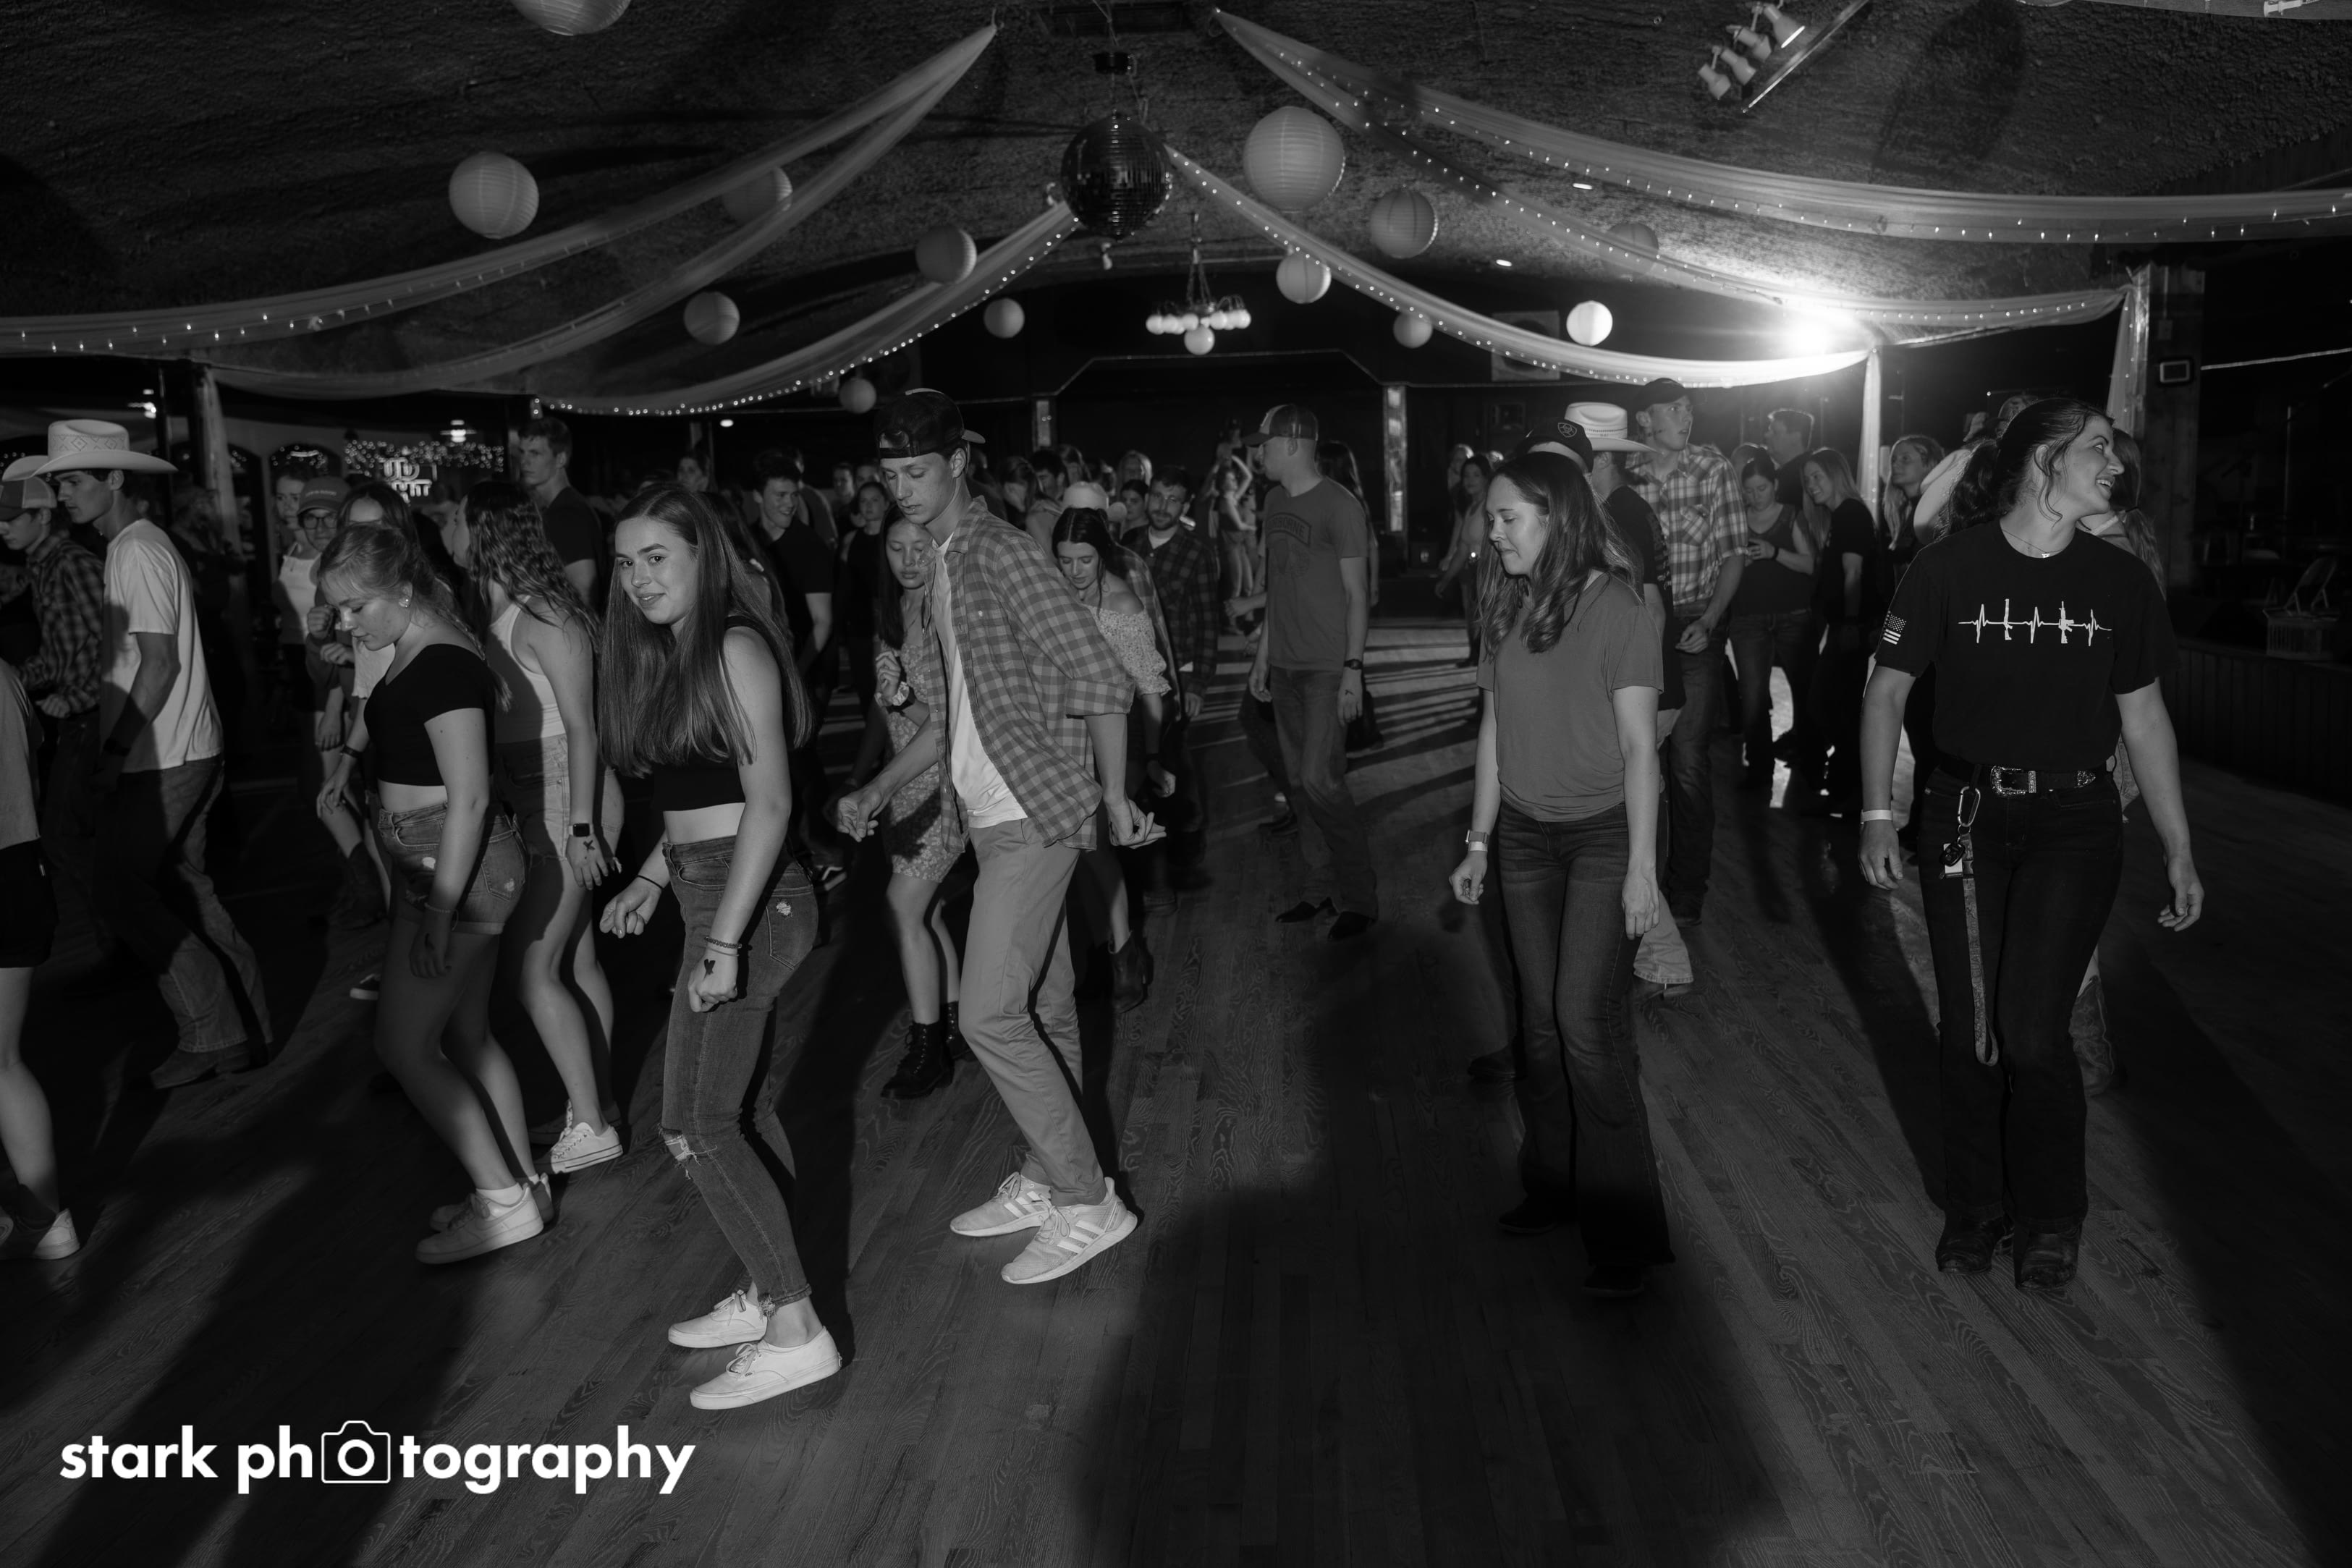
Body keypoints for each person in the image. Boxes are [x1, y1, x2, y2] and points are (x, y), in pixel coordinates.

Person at [1858, 399, 2201, 1294]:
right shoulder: (1947, 567)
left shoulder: (2118, 581)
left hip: (2075, 822)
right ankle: (1975, 1209)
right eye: (2098, 450)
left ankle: (2050, 1216)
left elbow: (2145, 720)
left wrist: (2177, 845)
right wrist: (1874, 813)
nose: (2116, 466)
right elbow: (1886, 690)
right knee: (1970, 1029)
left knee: (2033, 1029)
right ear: (2045, 460)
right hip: (1963, 815)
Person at [869, 389, 1146, 1286]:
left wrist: (1113, 792)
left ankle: (1087, 1199)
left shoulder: (998, 551)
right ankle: (1045, 1172)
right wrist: (884, 783)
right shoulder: (946, 561)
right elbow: (966, 701)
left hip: (1033, 811)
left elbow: (1100, 671)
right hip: (989, 814)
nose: (901, 490)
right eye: (889, 476)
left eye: (916, 471)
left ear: (957, 464)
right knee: (1047, 1005)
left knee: (988, 1013)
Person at [596, 483, 839, 1407]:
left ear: (703, 554)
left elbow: (769, 803)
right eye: (626, 563)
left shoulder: (736, 645)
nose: (638, 578)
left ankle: (796, 1327)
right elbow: (696, 801)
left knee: (693, 1123)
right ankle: (771, 1283)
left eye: (657, 557)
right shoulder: (678, 652)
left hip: (752, 898)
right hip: (711, 884)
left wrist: (725, 940)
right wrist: (652, 879)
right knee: (736, 1109)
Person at [1447, 452, 1671, 1299]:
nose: (1493, 531)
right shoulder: (1503, 603)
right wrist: (1478, 840)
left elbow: (1640, 747)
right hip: (1523, 839)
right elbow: (1493, 731)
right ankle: (1554, 1183)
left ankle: (1624, 1230)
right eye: (1491, 518)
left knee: (1585, 1022)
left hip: (1604, 836)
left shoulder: (1618, 607)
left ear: (1556, 516)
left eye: (1507, 517)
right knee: (1537, 1026)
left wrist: (1643, 870)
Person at [315, 520, 536, 1260]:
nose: (347, 623)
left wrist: (441, 910)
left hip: (456, 870)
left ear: (403, 590)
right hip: (437, 863)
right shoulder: (420, 642)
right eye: (338, 609)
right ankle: (519, 1186)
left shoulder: (440, 661)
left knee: (403, 1044)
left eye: (357, 606)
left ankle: (502, 1201)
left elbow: (470, 797)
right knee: (466, 1036)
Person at [41, 423, 275, 1089]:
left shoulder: (136, 551)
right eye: (58, 484)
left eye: (72, 481)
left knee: (120, 891)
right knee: (184, 891)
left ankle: (214, 1031)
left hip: (162, 753)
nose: (62, 495)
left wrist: (115, 750)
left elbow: (159, 664)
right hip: (181, 746)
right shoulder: (137, 545)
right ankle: (248, 1028)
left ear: (115, 479)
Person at [452, 483, 623, 1171]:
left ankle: (593, 1123)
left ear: (482, 529)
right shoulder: (494, 610)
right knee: (575, 961)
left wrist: (581, 828)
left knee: (532, 970)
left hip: (566, 799)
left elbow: (584, 728)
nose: (447, 530)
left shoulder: (547, 613)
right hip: (536, 795)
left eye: (455, 518)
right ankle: (598, 1105)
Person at [834, 516, 971, 1098]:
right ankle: (955, 1026)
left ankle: (926, 1047)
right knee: (927, 913)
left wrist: (903, 697)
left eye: (921, 547)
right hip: (900, 785)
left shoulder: (947, 610)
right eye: (897, 547)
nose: (910, 559)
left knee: (901, 908)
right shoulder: (891, 612)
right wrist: (860, 773)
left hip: (939, 781)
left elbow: (953, 723)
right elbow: (881, 709)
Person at [1249, 404, 1377, 941]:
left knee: (1321, 781)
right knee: (1301, 786)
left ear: (1292, 443)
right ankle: (1318, 888)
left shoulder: (1341, 506)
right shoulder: (1273, 502)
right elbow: (1278, 586)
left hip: (1327, 668)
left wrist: (1353, 670)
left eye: (1264, 444)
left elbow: (1357, 595)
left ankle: (1361, 898)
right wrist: (1262, 655)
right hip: (1284, 666)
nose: (1258, 454)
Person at [2065, 430, 2165, 1098]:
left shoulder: (2111, 553)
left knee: (2069, 900)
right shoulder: (2113, 540)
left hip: (2095, 745)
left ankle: (2087, 1051)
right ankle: (2080, 1046)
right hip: (2098, 743)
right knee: (2068, 897)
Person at [1628, 379, 1743, 927]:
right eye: (1672, 408)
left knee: (1688, 760)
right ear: (1644, 419)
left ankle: (1687, 888)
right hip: (1638, 628)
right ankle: (1636, 875)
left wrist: (1710, 621)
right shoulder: (1625, 477)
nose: (1684, 416)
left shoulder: (1713, 469)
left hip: (1698, 622)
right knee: (1635, 752)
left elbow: (1734, 555)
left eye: (1688, 408)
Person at [1054, 500, 1175, 1012]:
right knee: (1077, 855)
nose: (1075, 570)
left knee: (1096, 852)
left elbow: (1151, 689)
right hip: (1063, 739)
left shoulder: (1122, 606)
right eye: (1065, 560)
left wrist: (1152, 756)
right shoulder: (1054, 594)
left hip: (1116, 742)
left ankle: (1124, 957)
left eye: (1085, 559)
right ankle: (1103, 952)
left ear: (1103, 554)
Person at [0, 467, 107, 932]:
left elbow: (117, 641)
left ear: (43, 516)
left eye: (11, 518)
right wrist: (14, 681)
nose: (2, 528)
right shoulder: (42, 565)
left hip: (93, 714)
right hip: (79, 716)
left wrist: (77, 696)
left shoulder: (70, 562)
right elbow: (59, 652)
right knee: (76, 833)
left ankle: (126, 933)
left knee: (62, 835)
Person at [0, 656, 76, 1260]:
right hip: (20, 871)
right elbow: (34, 750)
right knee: (3, 1060)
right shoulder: (5, 674)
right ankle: (49, 1219)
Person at [1125, 465, 1220, 884]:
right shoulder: (1129, 543)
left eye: (1174, 499)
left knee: (1172, 754)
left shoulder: (1197, 552)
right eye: (1158, 496)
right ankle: (1150, 844)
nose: (1163, 506)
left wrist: (1197, 684)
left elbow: (1207, 621)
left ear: (1186, 505)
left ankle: (1186, 834)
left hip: (1175, 674)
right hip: (1131, 670)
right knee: (1144, 756)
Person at [1795, 449, 1884, 818]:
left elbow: (1854, 573)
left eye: (1818, 476)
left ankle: (1853, 788)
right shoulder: (1840, 516)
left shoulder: (1850, 513)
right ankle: (1849, 790)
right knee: (1839, 707)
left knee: (1828, 706)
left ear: (1836, 474)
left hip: (1852, 627)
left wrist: (1849, 623)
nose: (1811, 484)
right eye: (1807, 479)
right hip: (1847, 625)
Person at [1724, 454, 1819, 792]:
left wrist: (1773, 552)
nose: (1755, 496)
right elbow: (1722, 565)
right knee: (1752, 697)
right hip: (1748, 618)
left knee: (1805, 692)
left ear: (1775, 485)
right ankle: (1759, 769)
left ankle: (1810, 763)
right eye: (1749, 491)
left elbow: (1811, 564)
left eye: (1761, 489)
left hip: (1794, 616)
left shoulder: (1791, 515)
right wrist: (1738, 566)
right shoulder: (1736, 519)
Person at [1883, 435, 1948, 854]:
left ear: (1931, 465)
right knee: (1919, 734)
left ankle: (1930, 826)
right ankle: (1923, 823)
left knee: (1927, 739)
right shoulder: (1903, 513)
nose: (1897, 463)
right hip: (1910, 636)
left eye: (1907, 457)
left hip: (1930, 641)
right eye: (1894, 458)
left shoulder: (1936, 515)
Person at [839, 478, 894, 786]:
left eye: (875, 500)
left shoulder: (893, 538)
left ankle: (890, 754)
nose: (870, 506)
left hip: (885, 623)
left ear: (886, 503)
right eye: (864, 501)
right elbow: (844, 586)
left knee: (886, 690)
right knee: (865, 691)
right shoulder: (851, 540)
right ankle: (875, 756)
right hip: (859, 625)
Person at [518, 416, 604, 604]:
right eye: (522, 452)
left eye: (535, 453)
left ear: (560, 459)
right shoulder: (562, 507)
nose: (524, 461)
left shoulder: (566, 513)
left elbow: (584, 588)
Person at [1437, 453, 1493, 666]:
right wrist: (1446, 578)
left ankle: (1484, 671)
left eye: (1476, 475)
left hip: (1488, 574)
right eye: (1466, 475)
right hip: (1473, 572)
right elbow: (1462, 548)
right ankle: (1475, 659)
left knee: (1485, 623)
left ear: (1486, 477)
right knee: (1473, 618)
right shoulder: (1471, 508)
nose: (1470, 480)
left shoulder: (1490, 506)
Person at [1764, 407, 1814, 511]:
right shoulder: (1804, 473)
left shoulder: (1807, 478)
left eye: (1775, 432)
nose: (1766, 435)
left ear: (1795, 438)